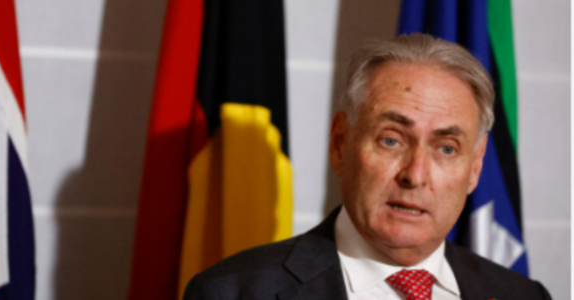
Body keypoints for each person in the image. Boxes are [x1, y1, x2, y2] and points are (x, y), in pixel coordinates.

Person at [182, 33, 552, 300]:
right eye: (391, 140)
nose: (415, 174)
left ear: (475, 166)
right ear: (341, 144)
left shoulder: (521, 294)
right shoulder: (232, 293)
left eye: (446, 148)